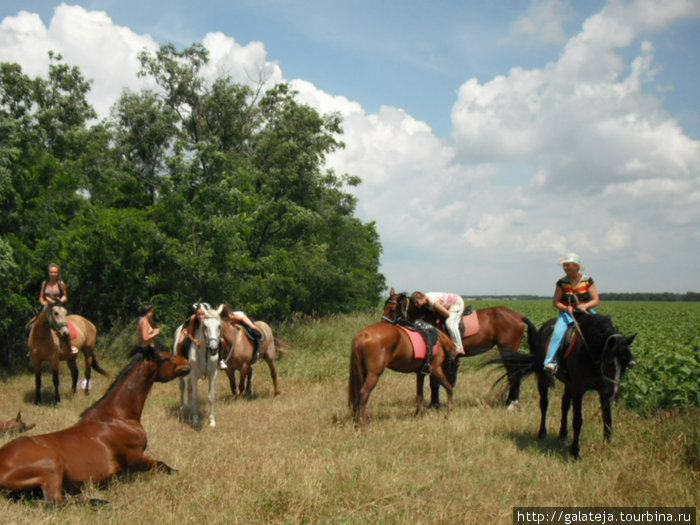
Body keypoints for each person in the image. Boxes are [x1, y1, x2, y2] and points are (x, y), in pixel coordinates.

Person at [543, 253, 600, 375]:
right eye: (564, 265)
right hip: (567, 314)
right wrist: (565, 308)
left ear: (576, 266)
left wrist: (585, 306)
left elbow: (596, 300)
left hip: (586, 312)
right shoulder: (562, 283)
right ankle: (550, 361)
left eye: (568, 265)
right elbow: (556, 302)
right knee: (558, 333)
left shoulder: (587, 281)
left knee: (605, 328)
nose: (565, 268)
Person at [410, 291, 465, 356]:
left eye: (417, 302)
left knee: (450, 323)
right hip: (449, 303)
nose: (416, 304)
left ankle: (459, 347)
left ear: (422, 298)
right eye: (415, 303)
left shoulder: (433, 302)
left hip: (456, 303)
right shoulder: (425, 300)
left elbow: (447, 314)